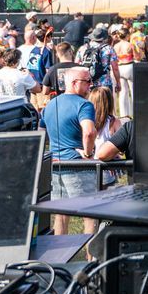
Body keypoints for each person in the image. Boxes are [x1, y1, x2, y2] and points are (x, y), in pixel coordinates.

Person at [41, 66, 98, 234]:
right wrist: (88, 153)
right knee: (90, 213)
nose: (91, 85)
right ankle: (93, 257)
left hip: (55, 165)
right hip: (77, 165)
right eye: (87, 81)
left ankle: (59, 257)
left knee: (61, 214)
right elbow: (89, 131)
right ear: (74, 83)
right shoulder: (85, 105)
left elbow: (41, 132)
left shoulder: (51, 104)